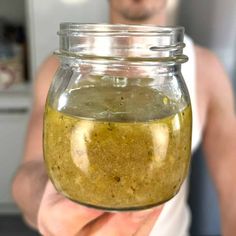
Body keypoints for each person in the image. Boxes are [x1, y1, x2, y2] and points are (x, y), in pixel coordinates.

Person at [12, 0, 236, 235]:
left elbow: (232, 191)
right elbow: (25, 176)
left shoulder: (207, 70)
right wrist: (45, 200)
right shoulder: (62, 68)